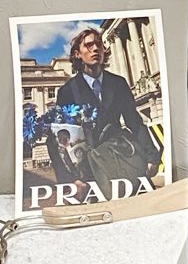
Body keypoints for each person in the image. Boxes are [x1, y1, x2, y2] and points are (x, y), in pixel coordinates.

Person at [56, 26, 161, 178]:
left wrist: (152, 156)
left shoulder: (119, 83)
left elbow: (134, 121)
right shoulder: (67, 91)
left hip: (121, 158)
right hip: (88, 168)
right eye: (88, 45)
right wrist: (70, 179)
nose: (95, 49)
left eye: (99, 44)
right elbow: (59, 138)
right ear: (77, 54)